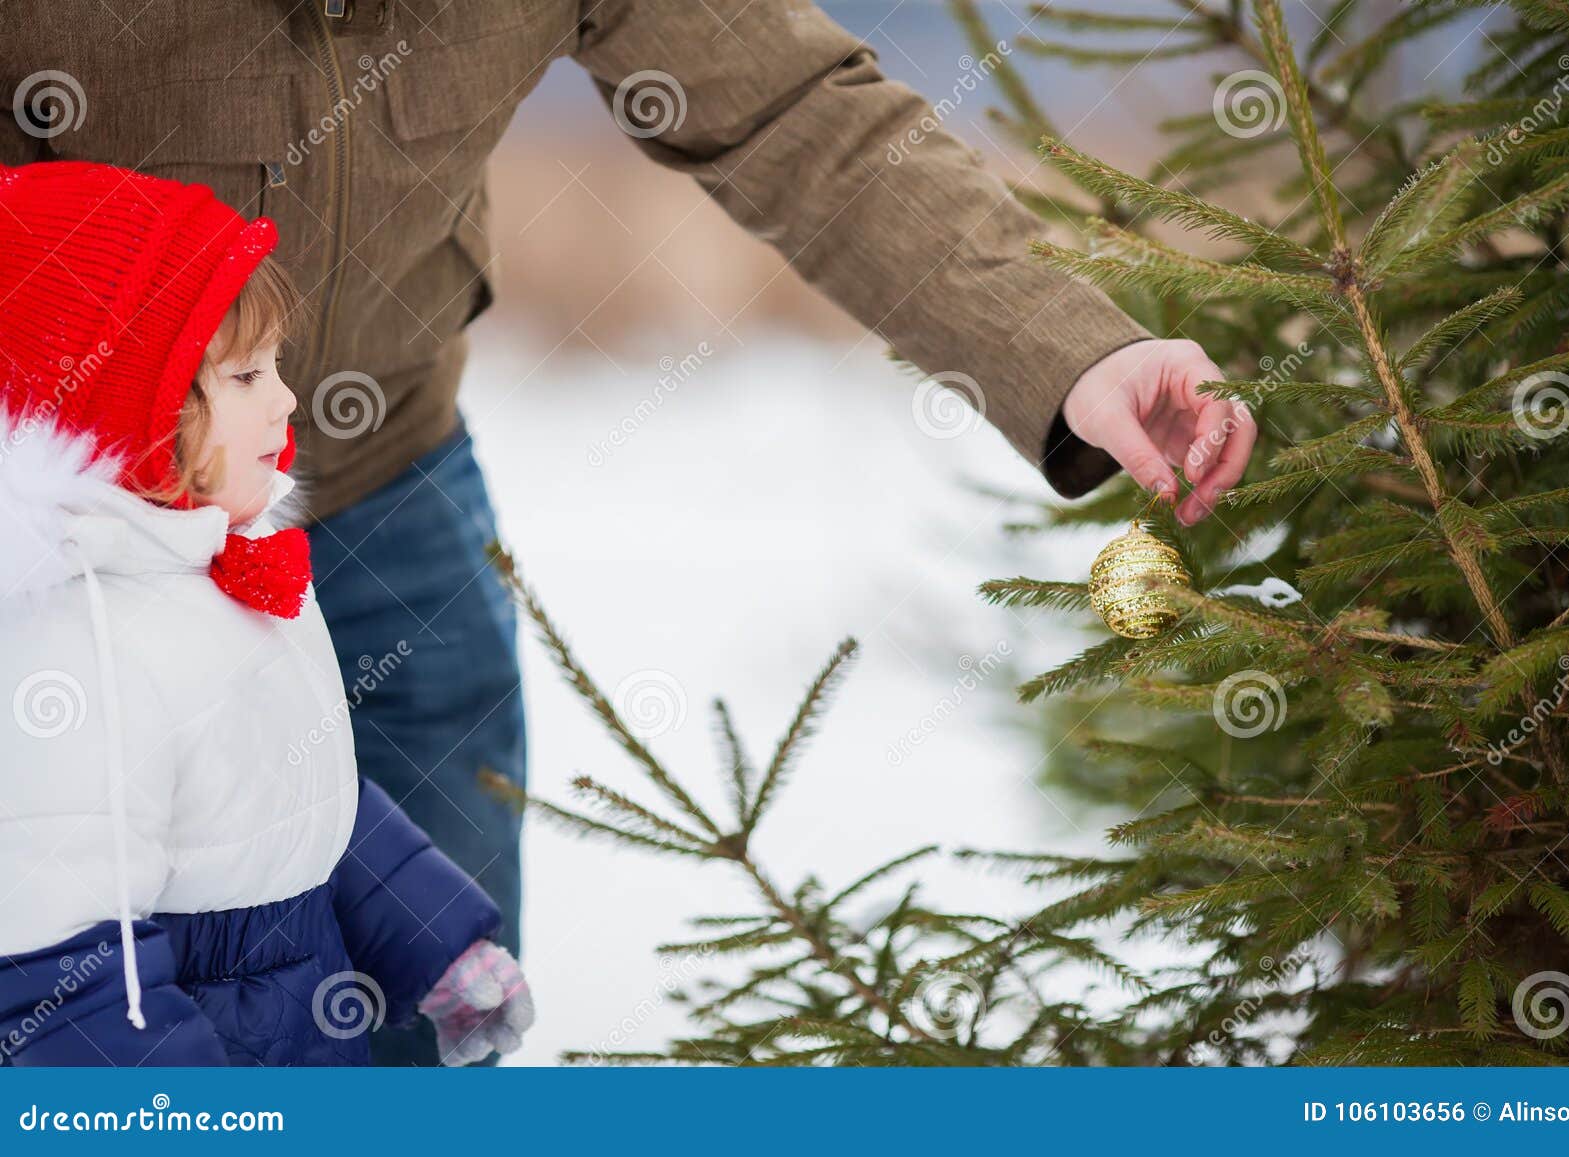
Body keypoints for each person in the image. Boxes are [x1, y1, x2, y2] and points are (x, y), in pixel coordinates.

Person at [0, 0, 1255, 1065]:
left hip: (385, 487)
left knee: (414, 1005)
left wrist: (1066, 347)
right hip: (59, 543)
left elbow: (794, 110)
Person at [0, 161, 533, 1067]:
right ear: (128, 409)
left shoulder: (215, 572)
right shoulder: (72, 657)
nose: (288, 399)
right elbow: (64, 993)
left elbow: (292, 797)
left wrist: (436, 940)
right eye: (247, 374)